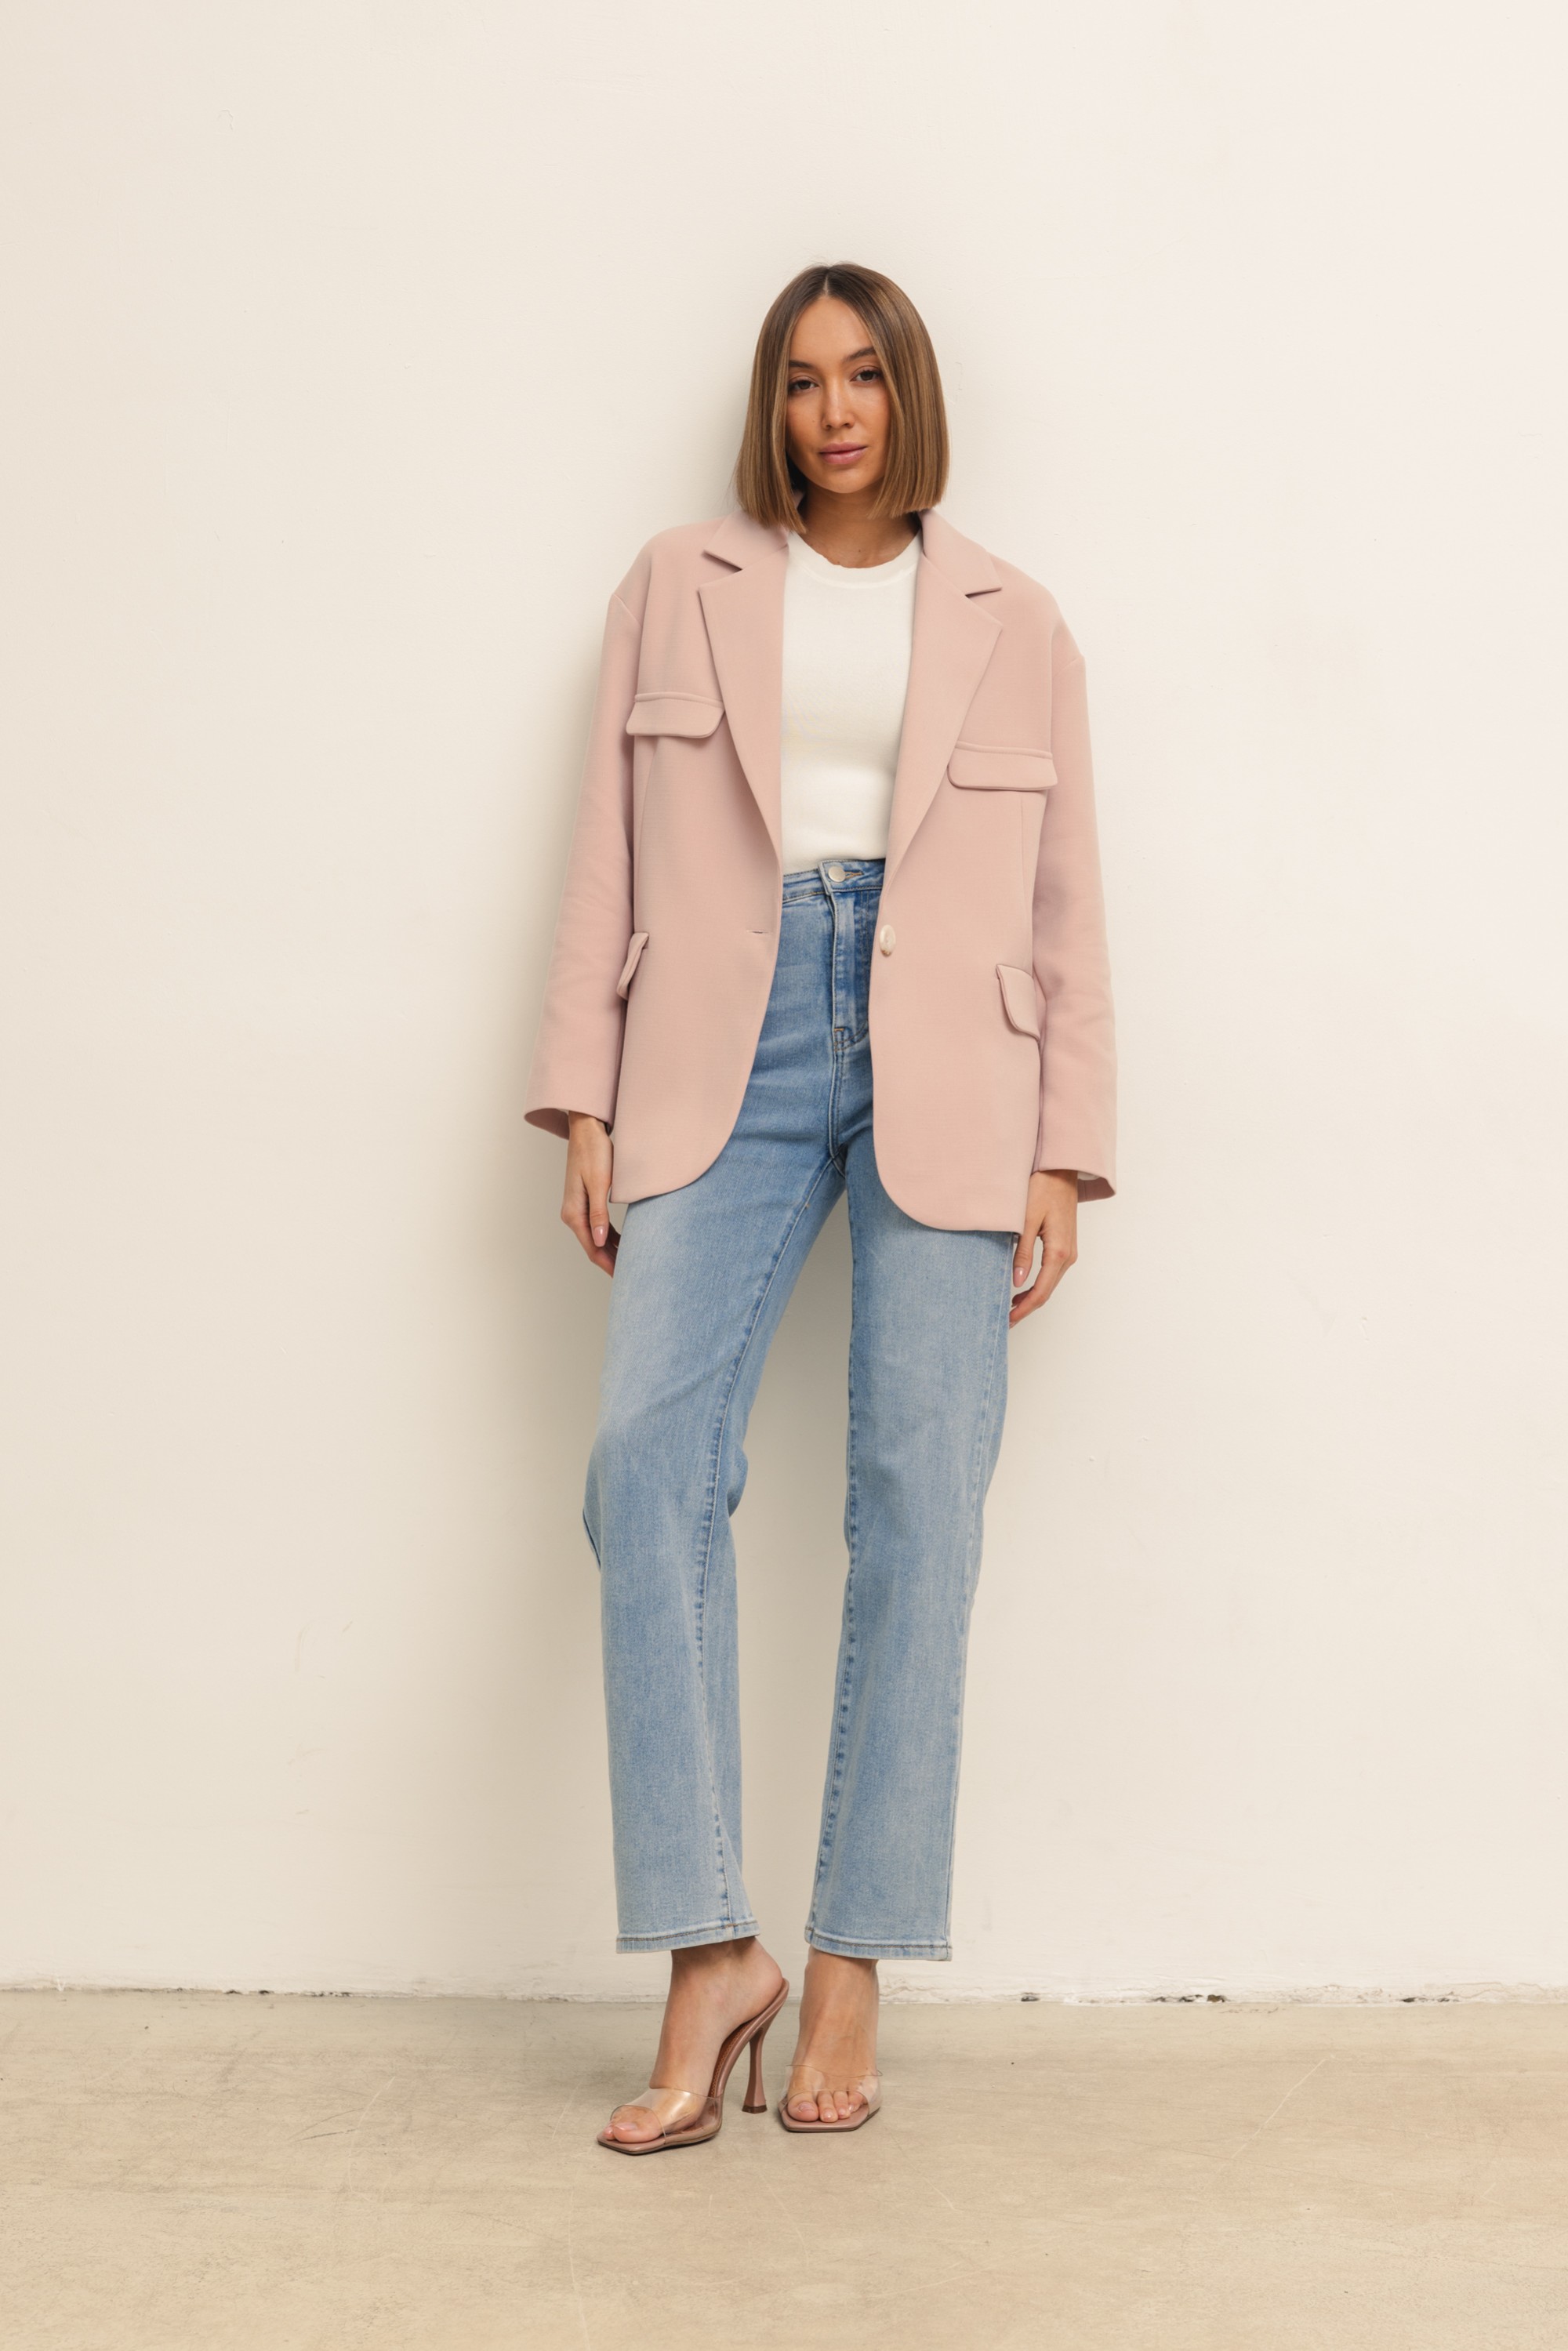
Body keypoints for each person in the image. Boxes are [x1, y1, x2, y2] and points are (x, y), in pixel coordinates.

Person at [525, 262, 1116, 2151]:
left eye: (863, 376)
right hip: (727, 1034)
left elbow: (1064, 900)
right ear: (770, 407)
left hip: (957, 1059)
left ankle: (851, 1960)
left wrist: (1065, 1144)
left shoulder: (1015, 616)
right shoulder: (678, 582)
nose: (834, 411)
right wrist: (581, 1092)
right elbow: (606, 849)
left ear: (906, 394)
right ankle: (713, 1951)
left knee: (918, 1498)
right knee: (645, 1462)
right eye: (801, 381)